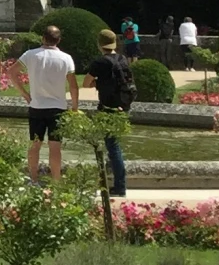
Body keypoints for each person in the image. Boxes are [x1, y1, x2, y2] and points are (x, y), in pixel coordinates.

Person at [15, 24, 79, 181]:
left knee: (35, 145)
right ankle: (56, 182)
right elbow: (73, 85)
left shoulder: (31, 55)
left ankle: (34, 179)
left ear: (43, 38)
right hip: (58, 108)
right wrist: (75, 107)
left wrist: (24, 93)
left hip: (37, 106)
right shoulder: (66, 58)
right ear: (59, 40)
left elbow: (11, 73)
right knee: (55, 146)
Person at [87, 28, 134, 202]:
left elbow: (86, 83)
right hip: (123, 108)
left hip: (108, 109)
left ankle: (120, 186)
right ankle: (115, 183)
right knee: (113, 146)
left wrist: (98, 82)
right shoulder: (123, 59)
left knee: (113, 148)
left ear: (100, 44)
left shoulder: (100, 62)